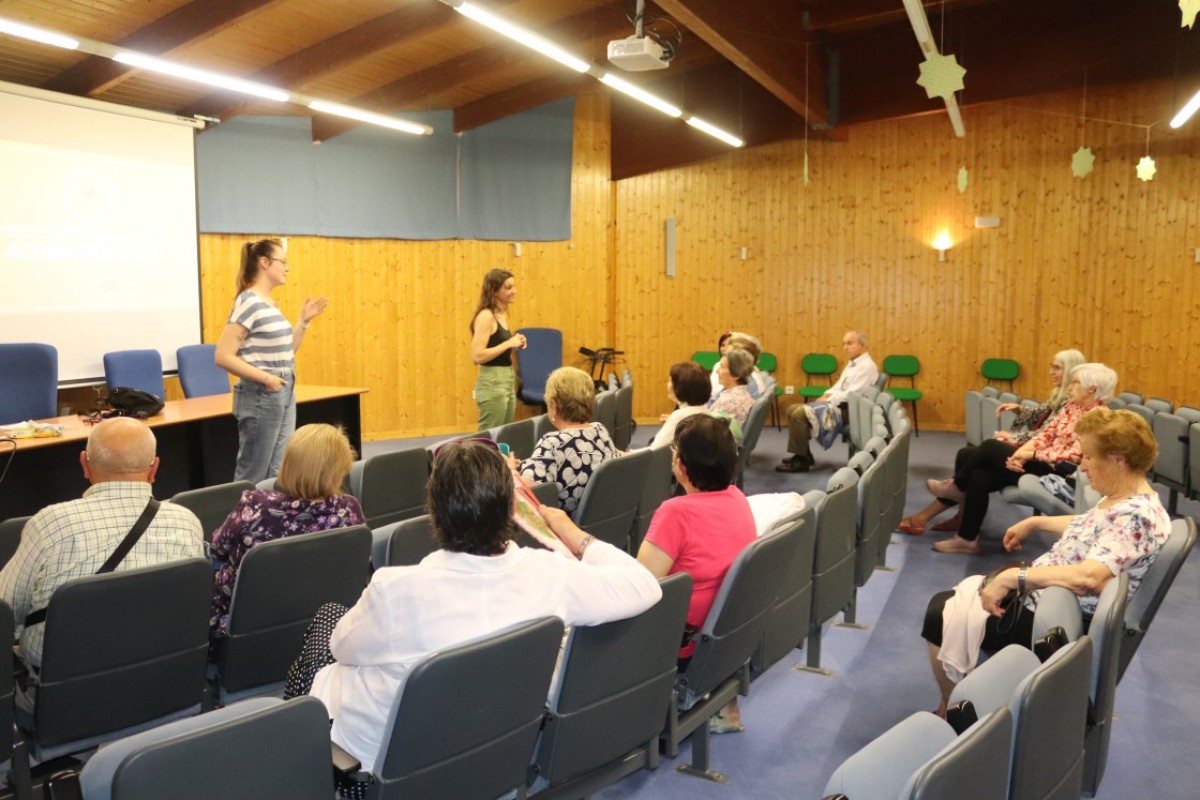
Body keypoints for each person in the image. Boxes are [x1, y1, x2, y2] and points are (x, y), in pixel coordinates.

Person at [289, 439, 661, 787]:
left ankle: (291, 753)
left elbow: (341, 649)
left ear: (435, 511)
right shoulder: (551, 575)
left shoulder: (395, 589)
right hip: (497, 754)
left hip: (386, 771)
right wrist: (573, 533)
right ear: (510, 511)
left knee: (330, 619)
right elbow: (644, 585)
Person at [921, 408, 1170, 716]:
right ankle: (960, 703)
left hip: (1061, 623)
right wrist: (1036, 524)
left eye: (1090, 457)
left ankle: (955, 713)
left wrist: (1015, 579)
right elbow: (1089, 525)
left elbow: (1090, 578)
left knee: (938, 614)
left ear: (1118, 460)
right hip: (1051, 600)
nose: (1083, 465)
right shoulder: (1126, 498)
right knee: (960, 600)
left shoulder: (1136, 516)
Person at [0, 418, 204, 669]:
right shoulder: (187, 521)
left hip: (62, 681)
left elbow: (6, 607)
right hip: (160, 668)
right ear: (154, 470)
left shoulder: (51, 523)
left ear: (84, 464)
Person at [638, 413, 757, 733]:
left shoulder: (676, 512)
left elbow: (639, 585)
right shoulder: (737, 498)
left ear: (681, 466)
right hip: (722, 639)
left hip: (682, 643)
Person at [927, 363, 1116, 554]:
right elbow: (1044, 436)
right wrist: (1019, 455)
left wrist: (1029, 455)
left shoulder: (1099, 417)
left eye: (1075, 382)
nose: (1069, 386)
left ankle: (958, 488)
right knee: (979, 475)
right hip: (1041, 462)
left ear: (1092, 389)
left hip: (1061, 472)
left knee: (989, 447)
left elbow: (1074, 456)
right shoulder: (1072, 406)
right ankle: (966, 539)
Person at [898, 349, 1087, 535]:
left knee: (986, 450)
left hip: (1046, 467)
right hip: (1035, 456)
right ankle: (961, 529)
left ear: (1071, 371)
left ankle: (951, 499)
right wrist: (1018, 411)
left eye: (1057, 368)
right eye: (1051, 367)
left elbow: (1050, 440)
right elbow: (1042, 425)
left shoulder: (1078, 407)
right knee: (975, 470)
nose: (1051, 372)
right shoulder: (1063, 398)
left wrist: (1016, 442)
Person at [209, 424, 365, 638]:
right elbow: (359, 567)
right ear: (337, 472)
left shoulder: (255, 504)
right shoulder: (349, 510)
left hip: (248, 630)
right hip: (324, 629)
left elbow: (218, 549)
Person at [215, 238, 329, 483]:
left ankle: (270, 520)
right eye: (283, 261)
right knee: (253, 473)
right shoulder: (248, 302)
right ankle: (243, 521)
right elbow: (222, 356)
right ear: (264, 263)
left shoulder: (270, 304)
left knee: (278, 470)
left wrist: (304, 322)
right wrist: (267, 379)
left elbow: (288, 350)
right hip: (261, 393)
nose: (287, 267)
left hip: (283, 387)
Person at [517, 366, 619, 514]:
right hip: (599, 520)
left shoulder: (552, 443)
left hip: (563, 528)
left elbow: (525, 492)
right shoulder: (599, 430)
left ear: (553, 406)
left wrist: (511, 471)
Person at [777, 330, 879, 473]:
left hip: (851, 411)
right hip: (842, 405)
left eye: (850, 343)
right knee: (792, 409)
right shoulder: (853, 364)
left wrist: (828, 400)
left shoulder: (867, 366)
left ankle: (801, 461)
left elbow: (853, 395)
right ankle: (804, 454)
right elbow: (838, 386)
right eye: (844, 344)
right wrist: (826, 394)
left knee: (799, 413)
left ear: (863, 346)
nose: (845, 347)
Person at [469, 268, 526, 430]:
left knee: (504, 434)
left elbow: (498, 345)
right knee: (488, 437)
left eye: (513, 286)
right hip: (492, 381)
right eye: (508, 288)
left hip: (506, 379)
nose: (514, 291)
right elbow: (477, 356)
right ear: (493, 291)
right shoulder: (486, 316)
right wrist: (509, 343)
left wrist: (517, 341)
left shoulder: (502, 315)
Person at [650, 361, 712, 449]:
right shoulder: (705, 411)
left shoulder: (680, 416)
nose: (667, 385)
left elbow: (653, 451)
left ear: (679, 387)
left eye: (670, 381)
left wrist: (628, 454)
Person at [707, 347, 756, 429]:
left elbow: (708, 430)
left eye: (722, 367)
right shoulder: (743, 395)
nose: (717, 371)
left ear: (736, 374)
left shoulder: (730, 401)